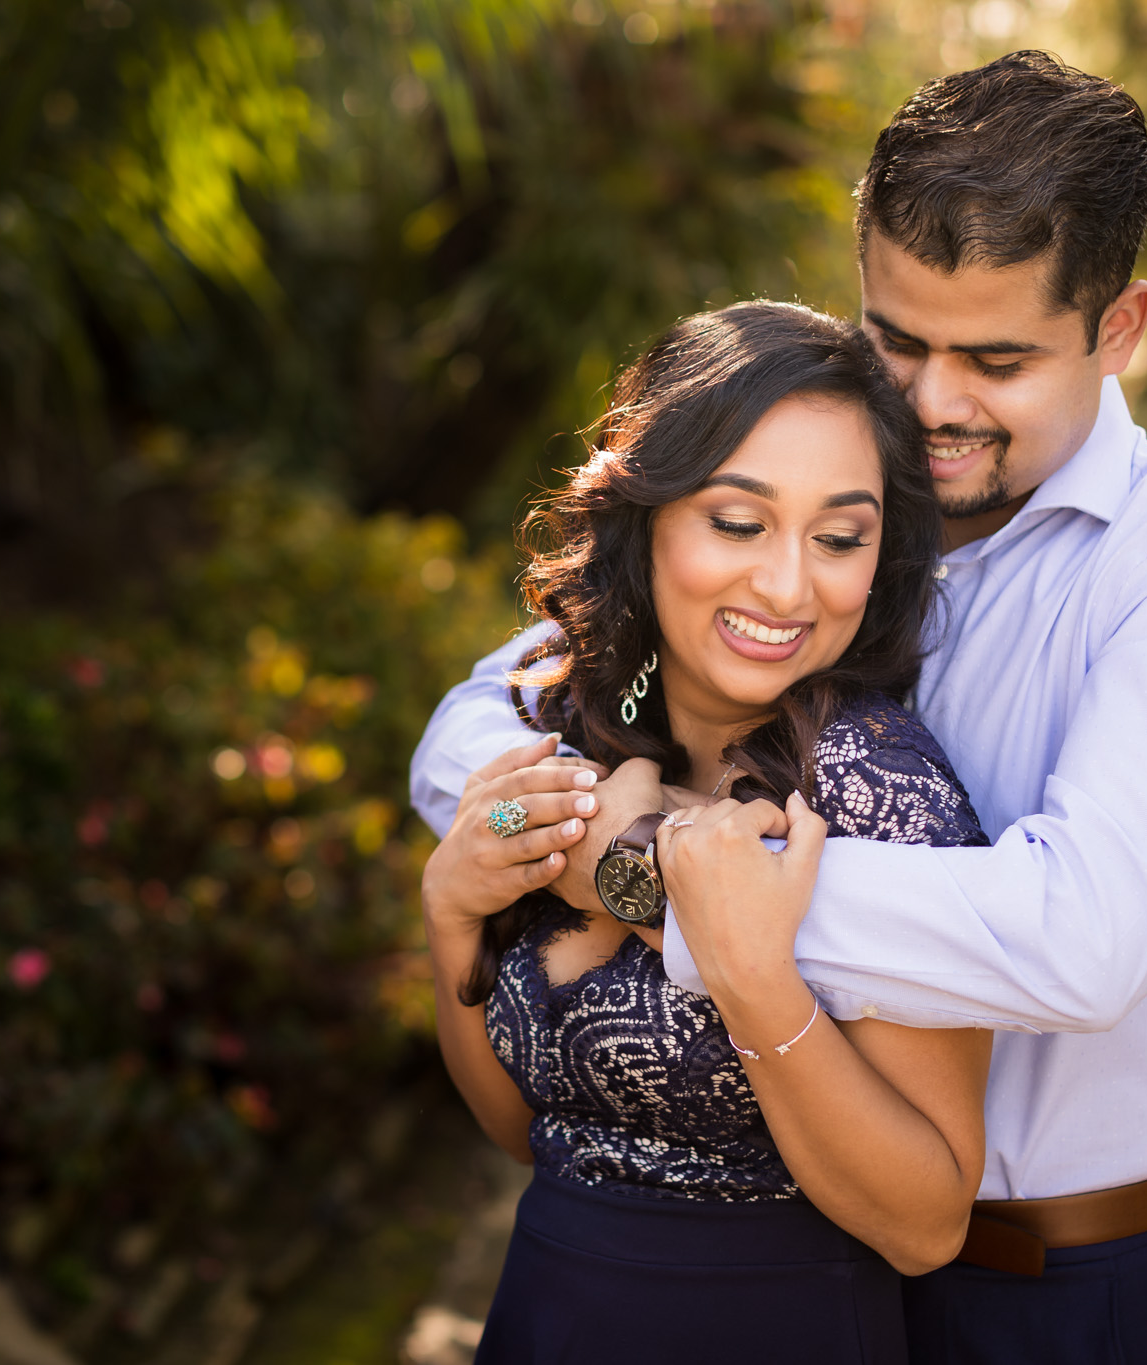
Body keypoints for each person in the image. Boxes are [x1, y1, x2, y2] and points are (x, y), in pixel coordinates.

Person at [411, 51, 1147, 1364]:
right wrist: (546, 823)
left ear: (1119, 329)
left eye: (997, 359)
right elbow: (474, 729)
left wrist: (657, 879)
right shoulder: (835, 510)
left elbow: (1081, 940)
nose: (934, 405)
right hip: (804, 1258)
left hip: (1067, 1284)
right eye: (899, 341)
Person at [422, 301, 991, 1362]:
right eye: (737, 523)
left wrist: (751, 981)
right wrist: (448, 911)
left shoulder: (871, 792)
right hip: (544, 1312)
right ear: (645, 516)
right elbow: (521, 1133)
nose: (785, 586)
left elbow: (927, 1224)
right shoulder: (567, 726)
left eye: (838, 539)